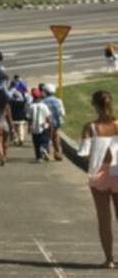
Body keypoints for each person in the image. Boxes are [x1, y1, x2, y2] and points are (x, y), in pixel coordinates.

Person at [77, 90, 118, 269]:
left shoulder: (90, 127)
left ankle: (109, 259)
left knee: (104, 219)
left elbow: (84, 154)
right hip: (117, 171)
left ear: (94, 105)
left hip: (99, 174)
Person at [27, 89, 53, 162]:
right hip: (44, 126)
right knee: (45, 140)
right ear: (40, 97)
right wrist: (50, 124)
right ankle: (44, 148)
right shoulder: (44, 106)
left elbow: (29, 118)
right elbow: (48, 117)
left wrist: (29, 127)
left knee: (36, 142)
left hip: (34, 127)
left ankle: (39, 157)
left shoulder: (31, 106)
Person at [43, 84, 66, 161]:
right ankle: (58, 152)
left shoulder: (43, 101)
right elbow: (62, 113)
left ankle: (47, 153)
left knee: (47, 138)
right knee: (56, 138)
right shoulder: (59, 101)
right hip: (56, 122)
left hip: (46, 122)